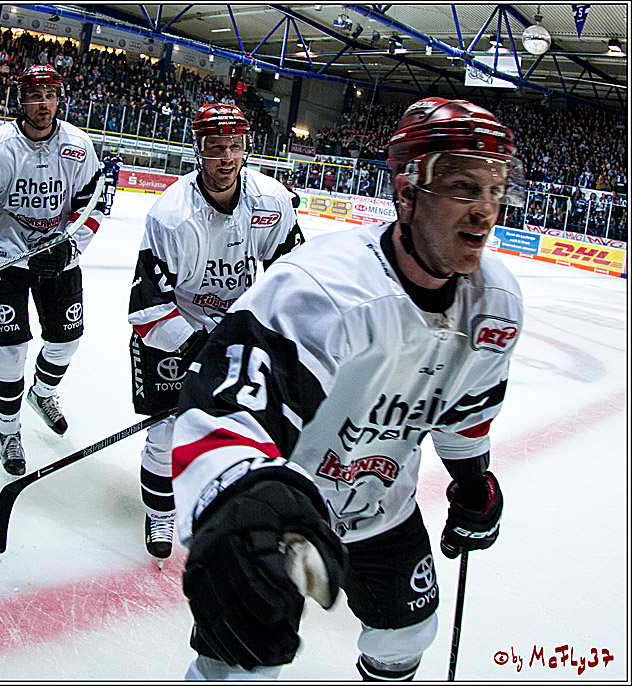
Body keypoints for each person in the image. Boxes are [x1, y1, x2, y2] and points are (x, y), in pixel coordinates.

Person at [172, 98, 524, 680]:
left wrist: (471, 479)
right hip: (288, 502)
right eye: (464, 187)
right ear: (408, 194)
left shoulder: (496, 304)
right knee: (244, 655)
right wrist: (241, 500)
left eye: (495, 189)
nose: (485, 211)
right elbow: (225, 408)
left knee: (409, 633)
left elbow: (464, 411)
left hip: (382, 505)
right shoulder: (324, 289)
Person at [127, 104, 305, 564]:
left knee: (251, 429)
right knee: (165, 428)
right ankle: (160, 511)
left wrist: (273, 335)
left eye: (235, 146)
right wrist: (194, 348)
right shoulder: (170, 215)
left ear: (246, 148)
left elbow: (296, 277)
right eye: (215, 147)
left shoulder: (271, 202)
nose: (226, 157)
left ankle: (237, 506)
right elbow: (147, 309)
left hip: (237, 332)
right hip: (174, 327)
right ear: (197, 149)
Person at [0, 64, 103, 476]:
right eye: (36, 95)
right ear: (22, 100)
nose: (44, 103)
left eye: (50, 94)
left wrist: (68, 247)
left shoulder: (78, 146)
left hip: (56, 254)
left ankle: (43, 393)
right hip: (5, 258)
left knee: (67, 340)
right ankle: (8, 431)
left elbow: (94, 205)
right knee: (10, 352)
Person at [101, 145, 123, 216]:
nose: (113, 153)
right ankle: (103, 206)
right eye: (112, 151)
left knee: (109, 194)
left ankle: (108, 207)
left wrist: (114, 163)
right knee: (103, 193)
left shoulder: (119, 159)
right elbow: (103, 167)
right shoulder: (106, 158)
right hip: (105, 178)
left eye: (115, 152)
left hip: (113, 179)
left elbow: (118, 167)